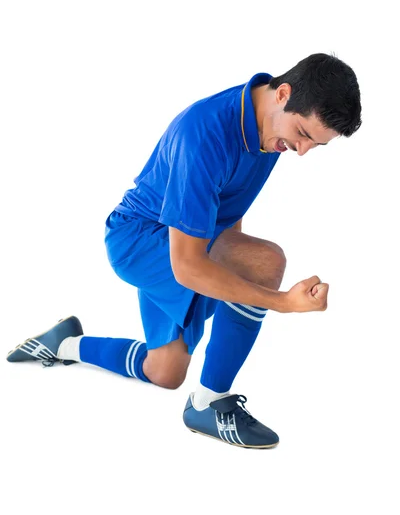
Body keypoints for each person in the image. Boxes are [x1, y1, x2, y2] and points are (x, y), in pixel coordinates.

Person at [7, 53, 362, 449]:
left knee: (164, 371)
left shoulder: (269, 131)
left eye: (315, 144)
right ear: (282, 94)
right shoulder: (205, 133)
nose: (301, 150)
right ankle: (210, 403)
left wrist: (234, 280)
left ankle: (64, 344)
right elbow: (189, 267)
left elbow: (228, 215)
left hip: (186, 238)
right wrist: (280, 302)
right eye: (302, 134)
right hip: (140, 240)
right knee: (266, 261)